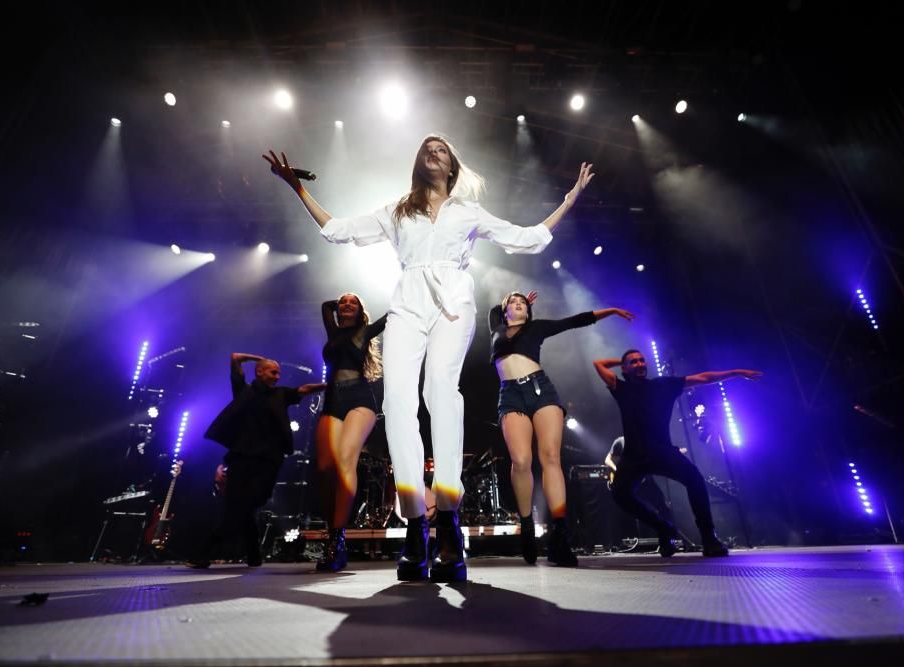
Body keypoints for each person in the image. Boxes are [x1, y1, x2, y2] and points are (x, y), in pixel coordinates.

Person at [264, 136, 594, 582]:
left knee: (441, 390)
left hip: (455, 301)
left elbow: (529, 239)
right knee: (398, 401)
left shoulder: (468, 212)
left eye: (441, 148)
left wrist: (570, 198)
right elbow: (338, 229)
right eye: (426, 148)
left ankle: (448, 524)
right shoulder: (399, 208)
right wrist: (297, 189)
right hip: (407, 303)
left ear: (453, 164)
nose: (432, 151)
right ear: (419, 163)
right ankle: (417, 523)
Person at [490, 290, 634, 565]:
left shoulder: (538, 328)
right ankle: (527, 525)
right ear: (505, 309)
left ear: (529, 311)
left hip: (541, 390)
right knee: (520, 461)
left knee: (551, 458)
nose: (518, 305)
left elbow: (575, 321)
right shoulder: (496, 328)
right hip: (510, 395)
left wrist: (612, 311)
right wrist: (517, 301)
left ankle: (559, 536)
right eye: (513, 302)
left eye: (523, 303)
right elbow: (498, 310)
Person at [592, 350, 761, 557]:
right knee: (619, 494)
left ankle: (709, 538)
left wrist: (735, 372)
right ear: (624, 368)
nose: (640, 364)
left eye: (641, 360)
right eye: (633, 362)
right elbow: (598, 363)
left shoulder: (664, 385)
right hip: (634, 457)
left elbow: (702, 378)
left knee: (695, 480)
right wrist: (623, 361)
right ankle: (663, 527)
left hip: (662, 451)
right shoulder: (622, 388)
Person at [188, 354, 324, 568]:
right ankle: (253, 555)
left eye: (278, 373)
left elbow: (304, 389)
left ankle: (206, 551)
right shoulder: (244, 391)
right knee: (239, 506)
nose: (277, 377)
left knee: (247, 504)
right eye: (273, 372)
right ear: (259, 372)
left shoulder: (280, 394)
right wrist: (257, 357)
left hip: (268, 461)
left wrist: (329, 385)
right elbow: (235, 359)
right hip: (242, 457)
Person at [315, 293, 387, 572]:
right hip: (333, 400)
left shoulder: (364, 331)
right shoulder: (332, 330)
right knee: (324, 468)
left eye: (352, 302)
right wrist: (339, 304)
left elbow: (391, 317)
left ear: (360, 312)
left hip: (359, 399)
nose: (345, 304)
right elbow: (324, 305)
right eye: (342, 302)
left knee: (346, 460)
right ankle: (332, 530)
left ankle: (336, 541)